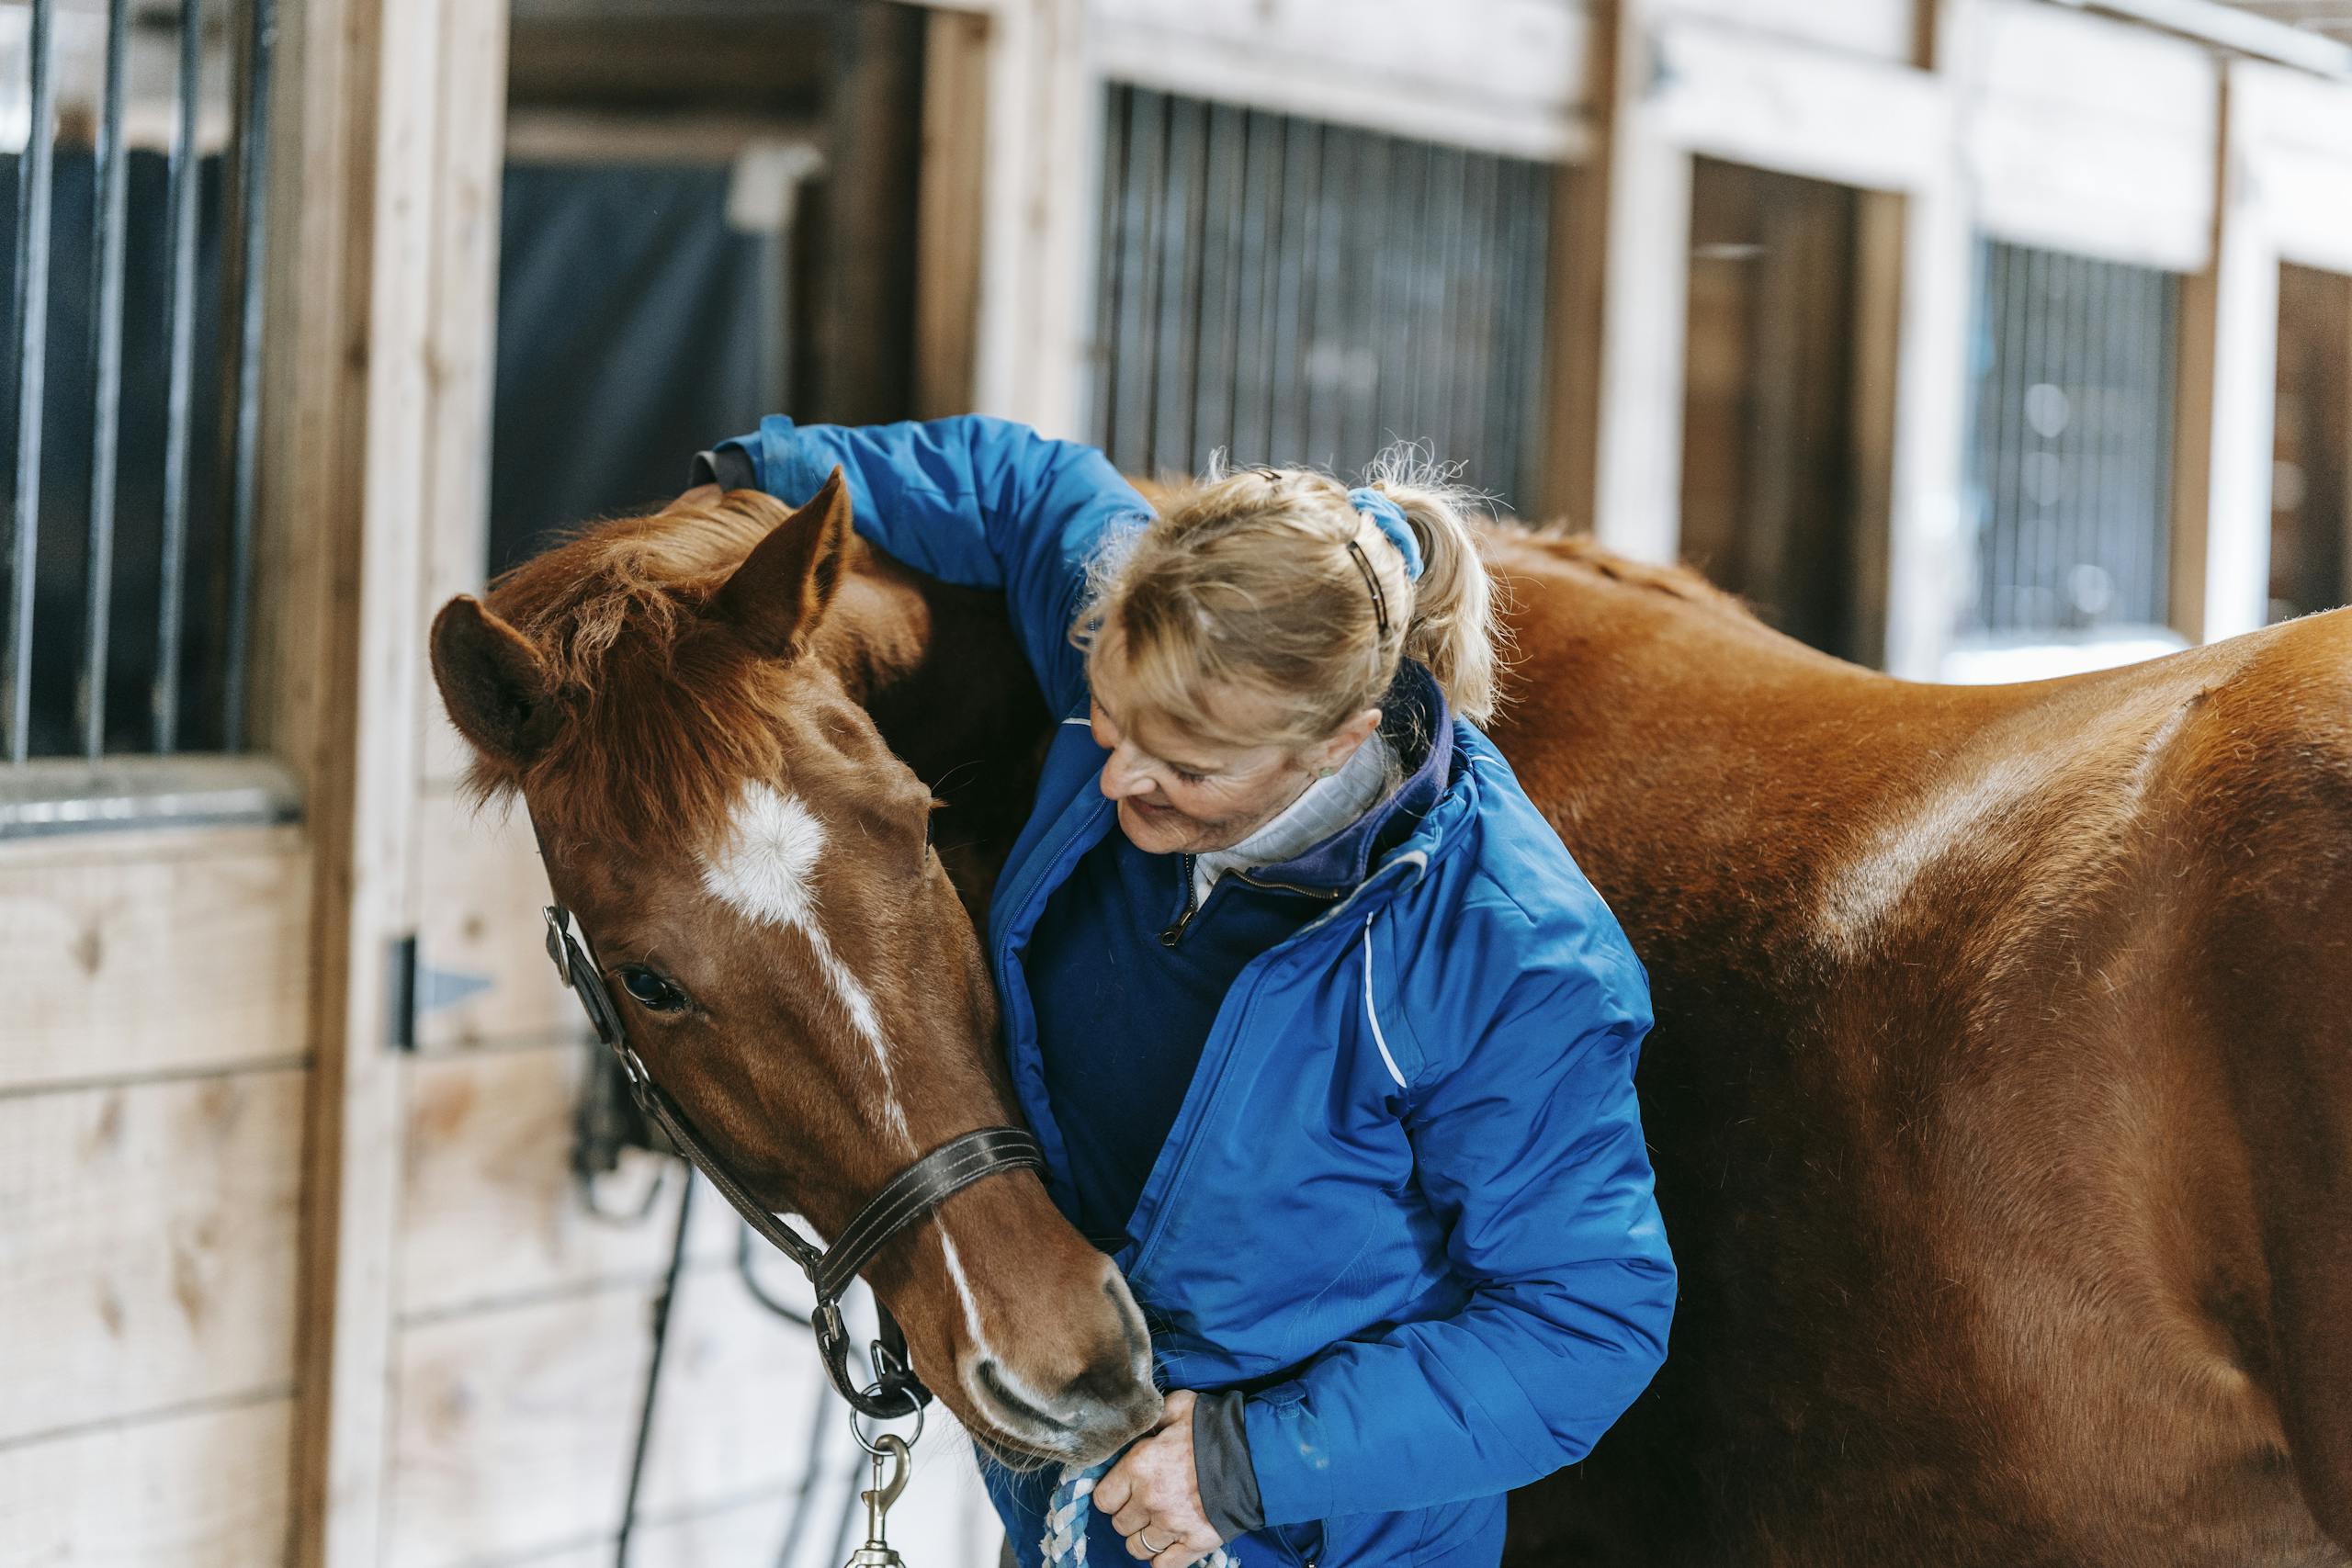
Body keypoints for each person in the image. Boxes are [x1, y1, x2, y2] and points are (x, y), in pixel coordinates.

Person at [693, 415, 1675, 1568]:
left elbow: (1587, 1321)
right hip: (1079, 1508)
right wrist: (750, 477)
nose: (1116, 780)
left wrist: (1247, 1464)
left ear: (1336, 741)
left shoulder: (1511, 954)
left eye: (1188, 769)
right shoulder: (1161, 651)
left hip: (1296, 1532)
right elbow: (1025, 485)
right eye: (1107, 720)